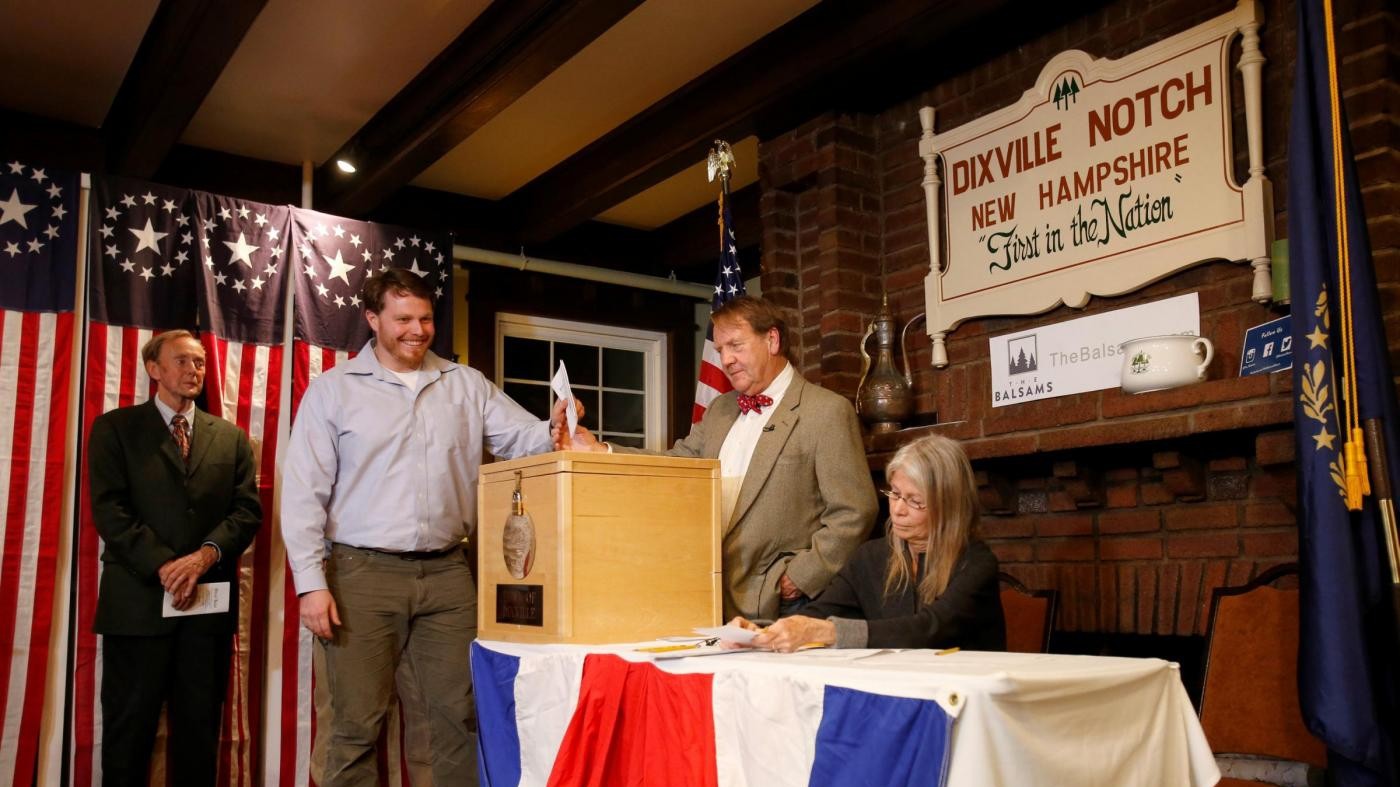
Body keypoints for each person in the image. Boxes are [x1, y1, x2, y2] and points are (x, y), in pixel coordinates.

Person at [281, 268, 572, 787]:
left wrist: (555, 426)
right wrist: (310, 584)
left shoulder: (465, 384)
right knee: (354, 725)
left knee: (454, 720)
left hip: (448, 577)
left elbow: (522, 440)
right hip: (359, 576)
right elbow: (304, 495)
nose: (417, 330)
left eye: (425, 318)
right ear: (372, 320)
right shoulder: (333, 392)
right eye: (403, 319)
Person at [560, 295, 877, 621]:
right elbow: (678, 465)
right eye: (720, 350)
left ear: (772, 340)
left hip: (787, 606)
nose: (726, 359)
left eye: (736, 345)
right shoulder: (720, 409)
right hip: (710, 600)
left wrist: (800, 577)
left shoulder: (825, 411)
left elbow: (855, 510)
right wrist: (600, 451)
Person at [88, 330, 262, 787]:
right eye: (182, 361)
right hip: (137, 608)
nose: (194, 371)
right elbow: (110, 511)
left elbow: (246, 512)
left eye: (200, 362)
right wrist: (167, 565)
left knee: (198, 735)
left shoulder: (230, 438)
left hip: (204, 614)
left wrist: (203, 558)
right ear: (154, 369)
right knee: (128, 734)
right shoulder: (115, 430)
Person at [734, 433, 1005, 652]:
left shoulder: (976, 562)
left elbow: (929, 628)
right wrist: (763, 632)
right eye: (895, 493)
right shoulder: (871, 557)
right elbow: (817, 613)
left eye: (915, 501)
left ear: (949, 507)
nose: (898, 509)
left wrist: (830, 632)